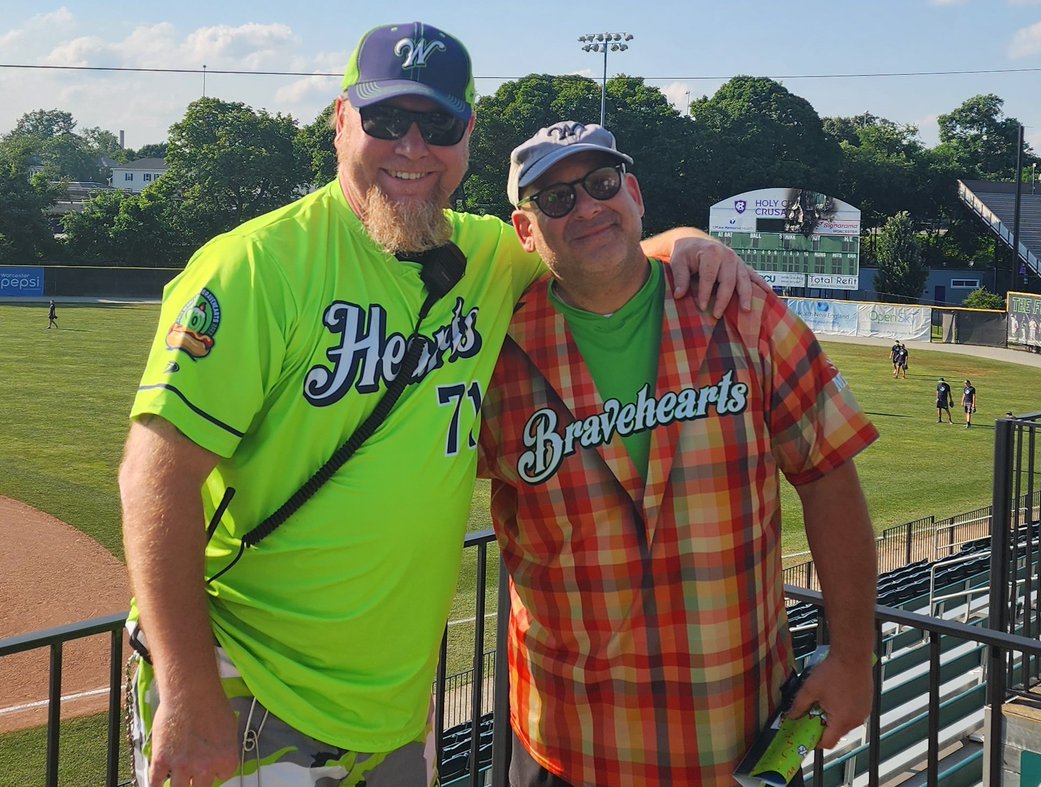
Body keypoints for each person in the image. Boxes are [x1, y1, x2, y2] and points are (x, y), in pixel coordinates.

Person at [118, 23, 758, 787]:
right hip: (246, 687)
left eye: (439, 125)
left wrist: (684, 240)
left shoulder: (489, 257)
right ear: (340, 121)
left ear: (467, 137)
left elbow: (586, 241)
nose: (413, 148)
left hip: (391, 715)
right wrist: (188, 694)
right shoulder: (257, 265)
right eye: (388, 120)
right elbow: (153, 478)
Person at [478, 121, 880, 786]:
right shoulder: (495, 356)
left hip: (734, 744)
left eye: (602, 184)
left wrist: (852, 655)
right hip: (566, 745)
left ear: (634, 193)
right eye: (555, 199)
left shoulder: (740, 309)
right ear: (525, 231)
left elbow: (829, 471)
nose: (586, 207)